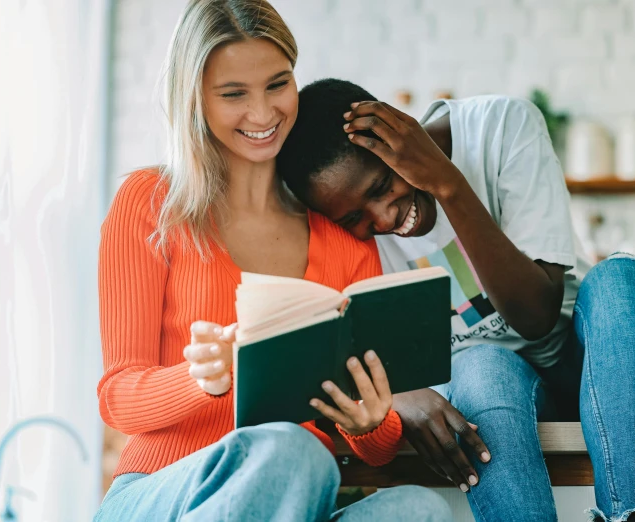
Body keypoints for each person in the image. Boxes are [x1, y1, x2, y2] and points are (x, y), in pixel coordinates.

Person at [95, 3, 452, 521]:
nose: (262, 114)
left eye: (277, 84)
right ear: (195, 98)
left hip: (293, 497)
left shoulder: (344, 236)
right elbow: (117, 398)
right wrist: (198, 380)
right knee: (289, 448)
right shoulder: (150, 204)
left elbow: (377, 449)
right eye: (233, 94)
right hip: (164, 492)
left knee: (419, 511)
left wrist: (370, 421)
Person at [277, 78, 635, 522]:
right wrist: (397, 398)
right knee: (478, 364)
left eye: (381, 186)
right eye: (355, 217)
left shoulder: (500, 126)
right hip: (497, 396)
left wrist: (446, 183)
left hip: (597, 361)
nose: (386, 217)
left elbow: (537, 318)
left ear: (398, 135)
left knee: (621, 278)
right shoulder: (339, 237)